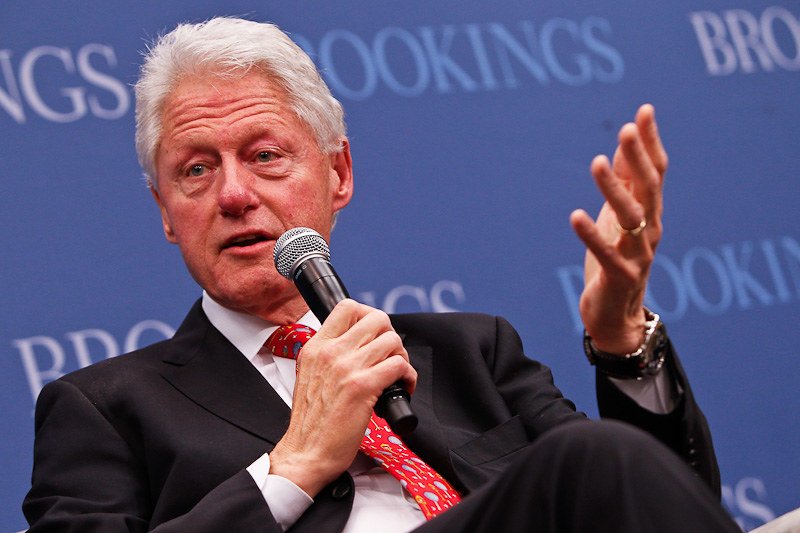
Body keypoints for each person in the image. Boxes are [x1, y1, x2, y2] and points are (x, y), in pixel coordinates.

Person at [23, 17, 739, 532]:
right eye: (196, 169)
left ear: (338, 173)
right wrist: (293, 464)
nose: (234, 194)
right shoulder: (104, 408)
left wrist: (621, 341)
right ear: (166, 212)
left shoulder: (472, 350)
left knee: (597, 458)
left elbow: (663, 503)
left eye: (265, 155)